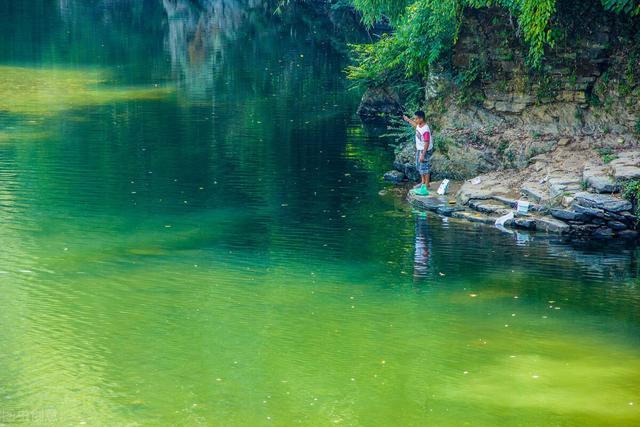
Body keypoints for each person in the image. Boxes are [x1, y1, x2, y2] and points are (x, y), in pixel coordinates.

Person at [402, 111, 433, 196]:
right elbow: (415, 125)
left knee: (424, 166)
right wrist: (407, 119)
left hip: (425, 150)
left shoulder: (425, 129)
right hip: (420, 149)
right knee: (419, 166)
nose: (415, 120)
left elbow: (427, 142)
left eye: (416, 118)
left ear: (421, 119)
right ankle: (423, 182)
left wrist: (423, 154)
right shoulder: (419, 126)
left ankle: (426, 184)